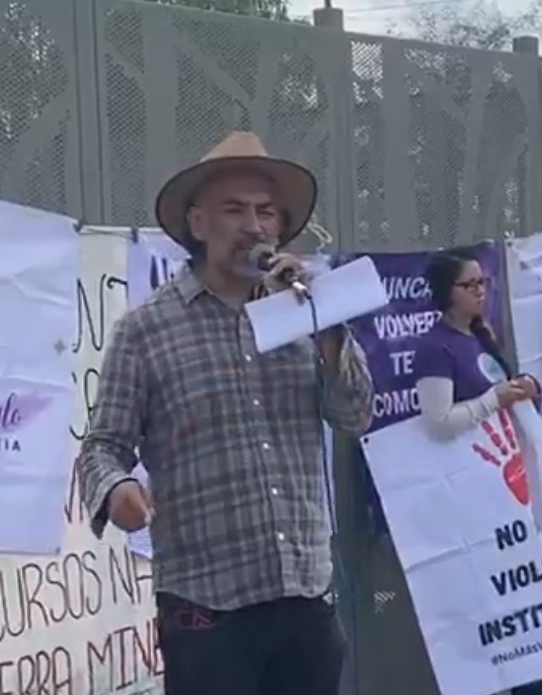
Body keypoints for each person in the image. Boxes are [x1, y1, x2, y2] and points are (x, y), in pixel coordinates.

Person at [76, 131, 374, 695]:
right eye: (234, 210)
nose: (255, 226)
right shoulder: (146, 329)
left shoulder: (307, 312)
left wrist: (329, 327)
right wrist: (117, 490)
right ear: (197, 223)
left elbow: (355, 416)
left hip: (306, 599)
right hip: (208, 612)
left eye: (266, 212)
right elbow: (101, 448)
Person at [413, 248, 540, 441]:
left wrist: (525, 386)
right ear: (447, 291)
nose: (480, 292)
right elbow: (439, 424)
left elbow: (499, 385)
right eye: (470, 285)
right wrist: (494, 400)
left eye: (482, 282)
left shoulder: (481, 334)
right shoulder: (435, 347)